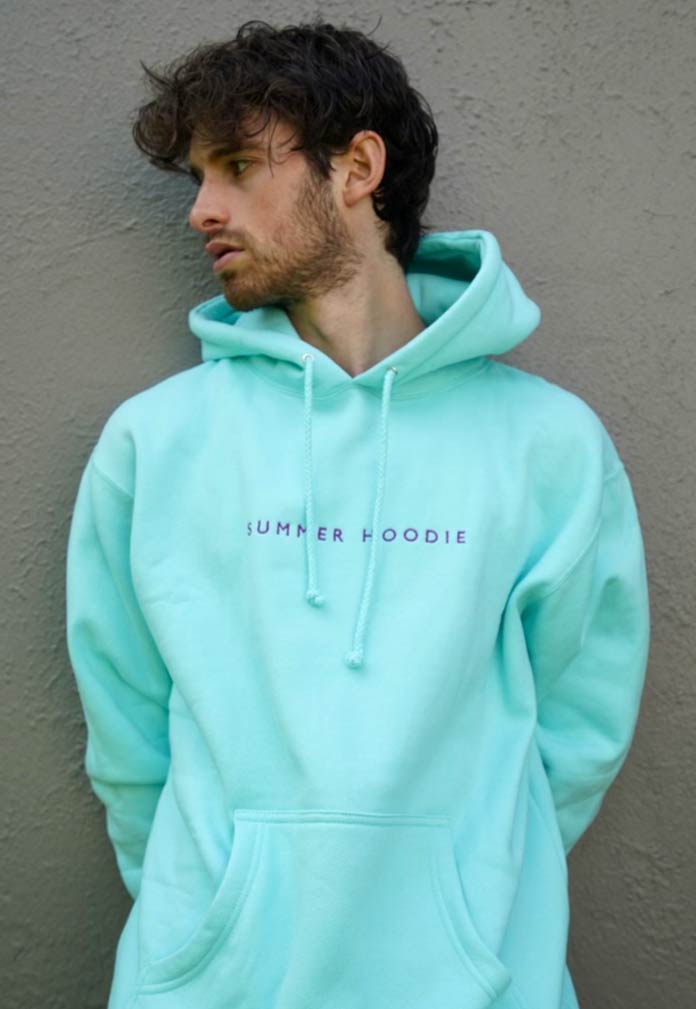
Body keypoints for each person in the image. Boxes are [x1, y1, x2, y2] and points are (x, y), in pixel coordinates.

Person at [65, 18, 650, 1009]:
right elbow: (126, 736)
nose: (201, 209)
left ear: (358, 168)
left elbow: (580, 728)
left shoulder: (548, 445)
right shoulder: (155, 444)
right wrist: (215, 922)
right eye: (198, 177)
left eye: (238, 165)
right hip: (209, 983)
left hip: (473, 981)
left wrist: (464, 901)